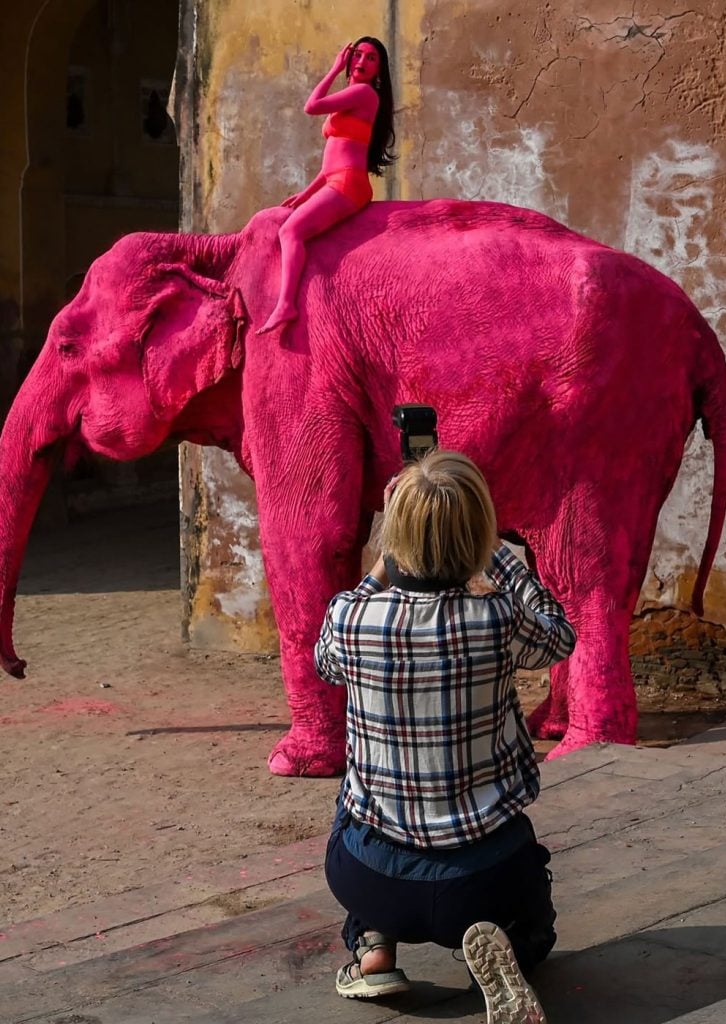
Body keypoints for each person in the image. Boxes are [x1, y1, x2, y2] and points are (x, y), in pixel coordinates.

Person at [314, 450, 576, 1023]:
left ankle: (375, 948)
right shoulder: (499, 618)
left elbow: (325, 661)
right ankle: (515, 945)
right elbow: (561, 636)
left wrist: (385, 559)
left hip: (371, 876)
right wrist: (499, 558)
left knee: (354, 798)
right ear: (479, 533)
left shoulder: (352, 619)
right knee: (530, 901)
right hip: (487, 879)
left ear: (395, 533)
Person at [257, 37, 395, 334]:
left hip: (348, 183)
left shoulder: (363, 93)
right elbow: (333, 160)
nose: (361, 61)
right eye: (357, 55)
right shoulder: (353, 95)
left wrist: (333, 69)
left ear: (379, 70)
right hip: (337, 179)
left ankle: (286, 305)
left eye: (371, 58)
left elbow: (311, 106)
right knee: (293, 225)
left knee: (289, 231)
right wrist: (307, 193)